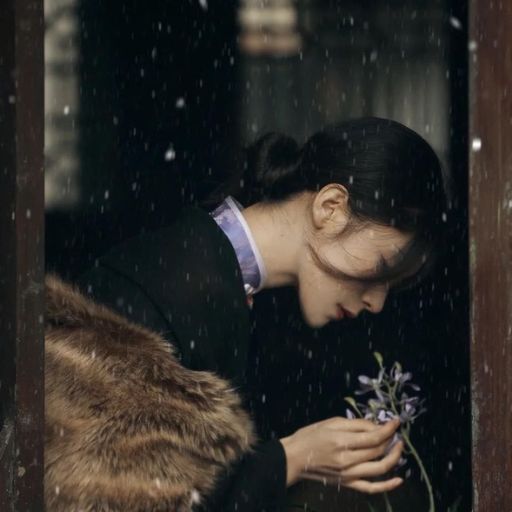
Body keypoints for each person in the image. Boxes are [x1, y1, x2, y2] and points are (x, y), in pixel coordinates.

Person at [76, 116, 450, 511]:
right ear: (331, 207)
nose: (377, 302)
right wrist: (291, 458)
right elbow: (118, 490)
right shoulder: (173, 283)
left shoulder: (222, 278)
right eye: (380, 268)